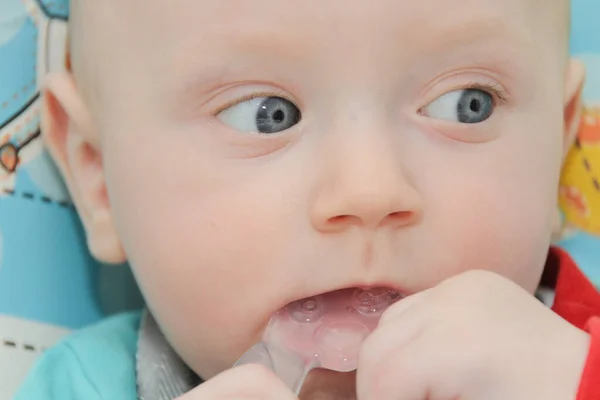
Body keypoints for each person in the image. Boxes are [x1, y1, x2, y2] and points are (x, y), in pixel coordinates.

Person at [14, 0, 600, 398]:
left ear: (558, 142)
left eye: (467, 103)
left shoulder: (574, 358)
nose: (370, 190)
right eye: (268, 116)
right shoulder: (80, 385)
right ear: (98, 175)